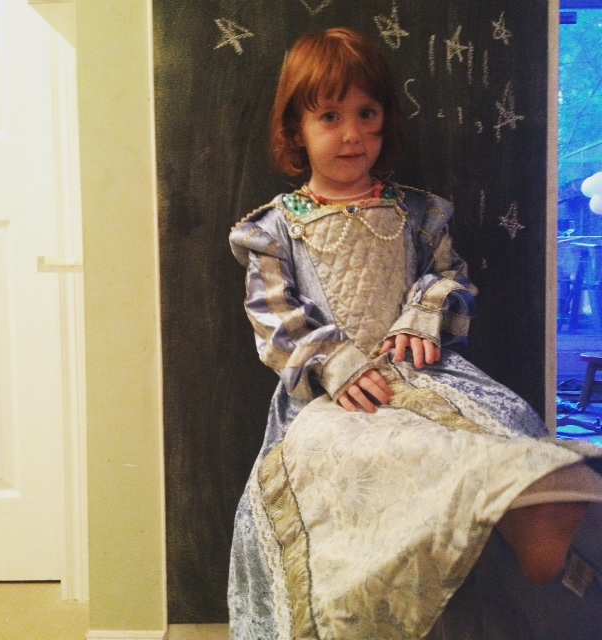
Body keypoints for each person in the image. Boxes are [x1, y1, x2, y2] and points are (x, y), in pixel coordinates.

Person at [228, 27, 602, 639]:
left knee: (492, 433)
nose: (352, 134)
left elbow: (450, 278)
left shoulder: (418, 214)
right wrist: (335, 363)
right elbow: (273, 318)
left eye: (366, 114)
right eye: (330, 117)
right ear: (296, 129)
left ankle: (533, 507)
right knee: (378, 459)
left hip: (426, 375)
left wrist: (421, 314)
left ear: (385, 120)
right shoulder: (273, 230)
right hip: (331, 395)